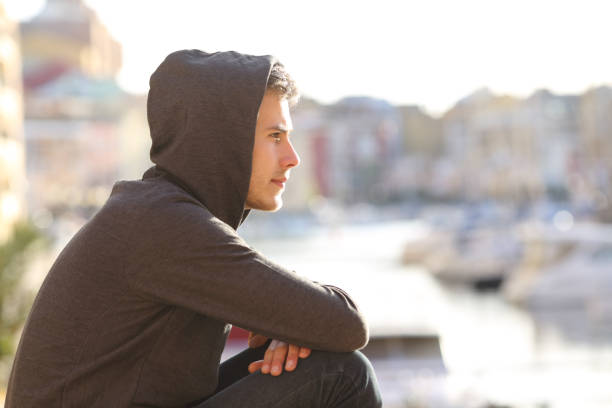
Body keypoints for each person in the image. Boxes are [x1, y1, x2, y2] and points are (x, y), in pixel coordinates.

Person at [6, 49, 382, 407]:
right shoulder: (166, 225)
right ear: (223, 142)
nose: (293, 157)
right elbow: (347, 324)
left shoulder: (158, 211)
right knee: (344, 374)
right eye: (274, 136)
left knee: (307, 356)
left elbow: (326, 322)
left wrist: (297, 319)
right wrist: (301, 315)